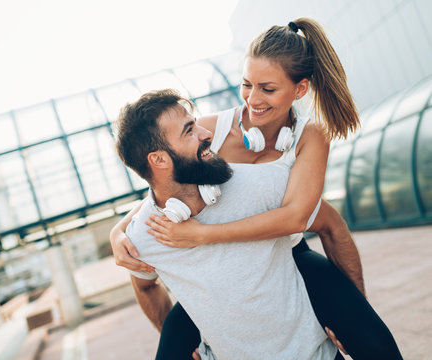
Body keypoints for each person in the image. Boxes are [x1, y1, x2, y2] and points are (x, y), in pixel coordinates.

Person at [111, 18, 402, 359]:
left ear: (300, 89)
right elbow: (169, 181)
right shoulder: (207, 130)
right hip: (217, 276)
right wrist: (121, 231)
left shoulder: (310, 137)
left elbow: (300, 218)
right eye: (247, 84)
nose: (253, 98)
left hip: (287, 256)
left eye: (268, 88)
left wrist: (352, 312)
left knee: (375, 343)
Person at [116, 88, 340, 359]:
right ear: (159, 159)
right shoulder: (143, 236)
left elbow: (331, 225)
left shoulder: (261, 183)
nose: (205, 133)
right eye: (189, 131)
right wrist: (189, 350)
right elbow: (144, 286)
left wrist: (348, 319)